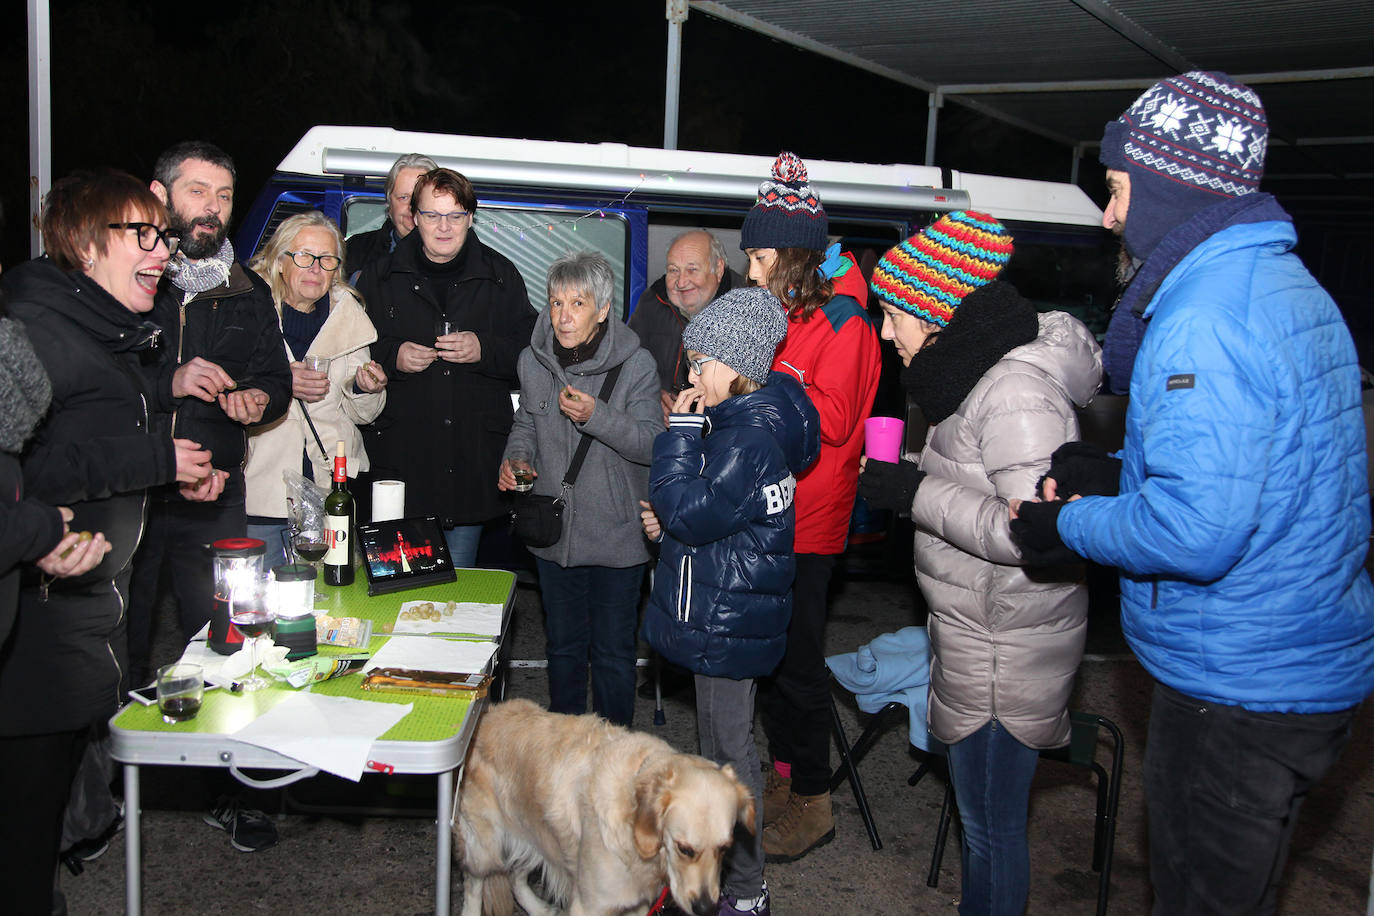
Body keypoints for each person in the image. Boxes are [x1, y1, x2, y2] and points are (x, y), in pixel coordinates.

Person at [1010, 72, 1374, 915]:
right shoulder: (1286, 288)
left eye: (1117, 189)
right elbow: (1263, 469)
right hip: (1295, 663)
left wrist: (1072, 520)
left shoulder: (1205, 315)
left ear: (1170, 192)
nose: (1108, 215)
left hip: (1236, 685)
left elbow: (1197, 531)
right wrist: (1121, 473)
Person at [859, 211, 1102, 916]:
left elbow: (1037, 533)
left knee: (992, 835)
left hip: (1007, 653)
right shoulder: (964, 375)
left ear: (936, 314)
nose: (883, 331)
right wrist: (909, 475)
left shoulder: (1014, 391)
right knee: (983, 830)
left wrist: (916, 492)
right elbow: (978, 479)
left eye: (892, 314)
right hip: (979, 635)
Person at [0, 170, 222, 910]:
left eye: (162, 236)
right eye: (145, 235)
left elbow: (91, 427)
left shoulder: (106, 328)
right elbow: (28, 468)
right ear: (88, 245)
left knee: (40, 827)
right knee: (23, 833)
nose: (163, 252)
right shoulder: (38, 331)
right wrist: (155, 459)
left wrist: (169, 467)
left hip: (79, 615)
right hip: (32, 632)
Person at [640, 286, 821, 916]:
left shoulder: (745, 438)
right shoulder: (747, 423)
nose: (691, 374)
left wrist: (680, 436)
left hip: (730, 615)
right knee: (717, 751)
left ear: (737, 362)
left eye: (700, 362)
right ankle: (722, 883)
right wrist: (678, 523)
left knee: (730, 761)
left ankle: (745, 893)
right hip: (728, 603)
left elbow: (691, 509)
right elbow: (718, 517)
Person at [134, 140, 293, 853]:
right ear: (159, 194)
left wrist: (259, 396)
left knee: (229, 645)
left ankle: (232, 793)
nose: (212, 208)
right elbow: (94, 381)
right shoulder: (132, 279)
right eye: (197, 191)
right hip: (129, 493)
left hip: (213, 495)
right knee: (119, 648)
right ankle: (101, 799)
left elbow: (274, 382)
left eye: (224, 195)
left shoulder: (247, 291)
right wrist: (168, 376)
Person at [739, 151, 881, 862]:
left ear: (794, 254)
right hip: (768, 515)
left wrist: (761, 389)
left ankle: (816, 801)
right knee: (769, 661)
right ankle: (789, 777)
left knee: (798, 666)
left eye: (760, 255)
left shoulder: (845, 323)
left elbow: (831, 417)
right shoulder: (784, 314)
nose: (751, 270)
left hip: (810, 522)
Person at [498, 251, 660, 726]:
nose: (563, 316)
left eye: (577, 303)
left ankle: (616, 763)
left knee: (612, 658)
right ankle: (563, 760)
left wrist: (599, 418)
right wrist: (515, 459)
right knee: (563, 652)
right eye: (555, 303)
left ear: (603, 310)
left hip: (617, 539)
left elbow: (653, 443)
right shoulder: (533, 360)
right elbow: (526, 422)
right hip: (554, 533)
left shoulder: (637, 365)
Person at [358, 167, 537, 568]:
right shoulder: (380, 277)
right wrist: (392, 355)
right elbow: (352, 356)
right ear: (414, 217)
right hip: (401, 464)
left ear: (471, 218)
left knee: (457, 602)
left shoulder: (501, 276)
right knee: (396, 589)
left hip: (469, 467)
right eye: (433, 215)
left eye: (455, 216)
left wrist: (484, 349)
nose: (444, 227)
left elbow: (531, 356)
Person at [244, 212, 388, 568]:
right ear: (280, 261)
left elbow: (363, 414)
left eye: (326, 260)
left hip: (329, 489)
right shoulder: (247, 310)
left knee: (327, 605)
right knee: (260, 600)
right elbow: (225, 386)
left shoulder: (348, 317)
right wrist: (279, 381)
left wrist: (365, 386)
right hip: (263, 487)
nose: (315, 269)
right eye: (304, 257)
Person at [629, 229, 739, 420]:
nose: (681, 282)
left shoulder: (743, 307)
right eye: (673, 270)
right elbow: (630, 361)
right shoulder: (652, 301)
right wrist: (653, 395)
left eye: (692, 269)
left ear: (718, 269)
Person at [345, 153, 438, 282]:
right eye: (403, 197)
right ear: (389, 205)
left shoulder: (466, 259)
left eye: (420, 197)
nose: (412, 206)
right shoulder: (354, 250)